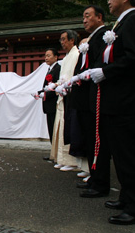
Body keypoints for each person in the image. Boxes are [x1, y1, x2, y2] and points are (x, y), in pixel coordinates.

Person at [88, 0, 135, 225]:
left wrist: (107, 72)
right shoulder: (121, 23)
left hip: (128, 102)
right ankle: (126, 198)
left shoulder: (134, 21)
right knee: (121, 155)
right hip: (117, 101)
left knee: (129, 155)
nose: (109, 1)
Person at [71, 5, 111, 197]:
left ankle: (100, 182)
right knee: (89, 140)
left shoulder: (103, 36)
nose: (84, 20)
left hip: (93, 97)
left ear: (99, 17)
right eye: (83, 17)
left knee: (96, 141)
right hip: (85, 99)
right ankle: (94, 178)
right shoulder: (92, 38)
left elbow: (98, 65)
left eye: (88, 16)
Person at [49, 30, 80, 171]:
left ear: (72, 40)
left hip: (70, 94)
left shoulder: (76, 54)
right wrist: (57, 84)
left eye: (64, 39)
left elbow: (73, 76)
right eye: (60, 40)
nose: (62, 42)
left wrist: (60, 85)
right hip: (62, 95)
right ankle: (61, 158)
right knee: (60, 126)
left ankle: (70, 160)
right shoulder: (67, 56)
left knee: (68, 127)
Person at [39, 48, 61, 150]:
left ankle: (56, 154)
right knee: (51, 129)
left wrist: (46, 95)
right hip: (48, 105)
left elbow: (57, 86)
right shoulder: (50, 69)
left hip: (54, 104)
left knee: (55, 130)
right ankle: (53, 152)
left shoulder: (58, 69)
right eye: (45, 56)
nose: (46, 58)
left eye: (48, 55)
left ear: (56, 57)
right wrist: (39, 92)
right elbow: (47, 86)